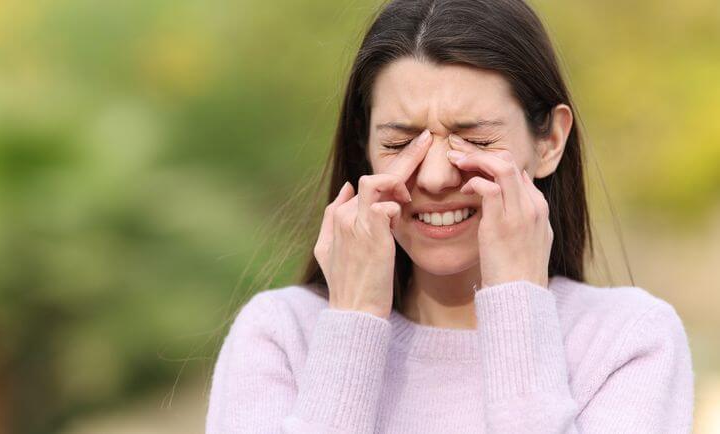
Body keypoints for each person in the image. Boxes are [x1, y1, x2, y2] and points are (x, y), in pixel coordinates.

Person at [205, 0, 695, 432]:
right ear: (363, 147)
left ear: (550, 141)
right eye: (399, 143)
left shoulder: (628, 342)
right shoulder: (281, 336)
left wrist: (517, 302)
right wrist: (352, 324)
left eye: (476, 141)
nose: (436, 177)